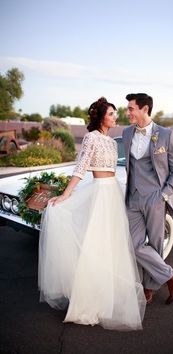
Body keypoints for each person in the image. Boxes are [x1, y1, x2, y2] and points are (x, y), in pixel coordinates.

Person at [38, 97, 146, 331]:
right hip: (99, 194)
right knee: (94, 246)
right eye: (111, 114)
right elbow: (81, 168)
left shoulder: (112, 141)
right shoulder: (91, 138)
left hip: (113, 194)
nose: (115, 117)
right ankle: (86, 304)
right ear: (100, 117)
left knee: (111, 247)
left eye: (116, 113)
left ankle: (107, 300)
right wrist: (66, 195)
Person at [122, 93, 173, 305]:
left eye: (131, 108)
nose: (127, 112)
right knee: (134, 244)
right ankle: (171, 276)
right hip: (133, 198)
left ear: (145, 109)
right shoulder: (126, 133)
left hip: (156, 198)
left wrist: (164, 195)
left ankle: (149, 287)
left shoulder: (166, 135)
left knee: (156, 244)